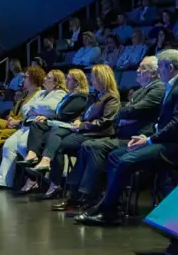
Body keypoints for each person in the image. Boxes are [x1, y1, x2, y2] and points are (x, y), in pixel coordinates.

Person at [76, 49, 178, 226]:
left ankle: (107, 211)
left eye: (161, 67)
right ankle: (111, 208)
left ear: (170, 67)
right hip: (162, 140)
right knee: (115, 156)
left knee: (126, 160)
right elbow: (163, 123)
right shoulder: (172, 86)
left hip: (176, 147)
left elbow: (177, 126)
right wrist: (146, 135)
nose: (158, 71)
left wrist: (149, 140)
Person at [55, 57, 165, 212]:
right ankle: (80, 196)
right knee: (87, 146)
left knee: (91, 145)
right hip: (123, 135)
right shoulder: (141, 90)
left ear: (154, 73)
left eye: (142, 68)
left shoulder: (158, 88)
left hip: (137, 138)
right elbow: (129, 110)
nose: (137, 71)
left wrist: (121, 115)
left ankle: (89, 198)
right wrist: (124, 116)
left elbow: (132, 110)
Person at [28, 64, 121, 198]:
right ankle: (57, 184)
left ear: (102, 78)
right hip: (84, 131)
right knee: (53, 141)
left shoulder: (111, 97)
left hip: (97, 135)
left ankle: (61, 186)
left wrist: (81, 125)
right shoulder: (96, 95)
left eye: (94, 77)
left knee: (57, 144)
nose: (91, 80)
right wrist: (79, 120)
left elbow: (104, 121)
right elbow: (84, 113)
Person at [0, 68, 67, 187]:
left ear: (56, 82)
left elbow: (51, 107)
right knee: (8, 145)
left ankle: (35, 176)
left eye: (48, 78)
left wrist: (35, 108)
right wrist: (36, 109)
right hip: (28, 125)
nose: (45, 79)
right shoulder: (42, 93)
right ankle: (3, 182)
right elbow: (26, 108)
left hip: (41, 127)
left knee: (22, 145)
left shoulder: (59, 93)